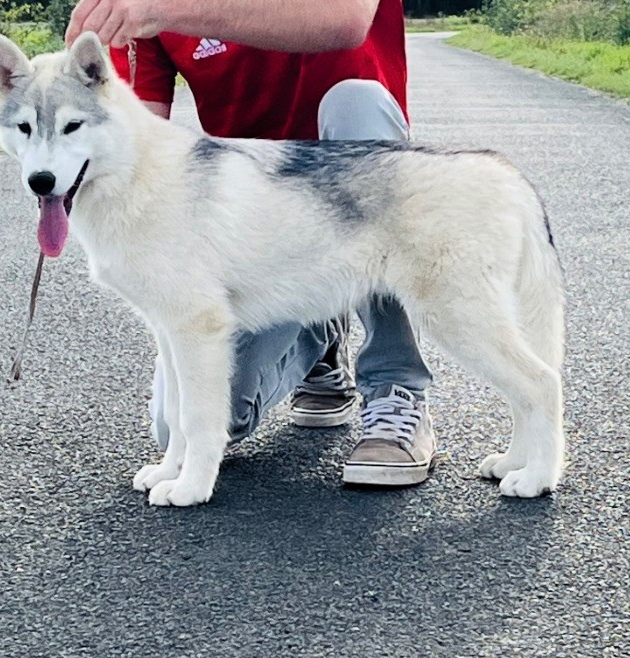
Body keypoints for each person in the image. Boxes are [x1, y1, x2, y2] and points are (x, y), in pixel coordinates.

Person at [66, 0, 437, 486]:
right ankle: (319, 335)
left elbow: (344, 23)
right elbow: (138, 146)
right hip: (262, 233)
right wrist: (59, 152)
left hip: (354, 171)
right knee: (179, 423)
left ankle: (395, 385)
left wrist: (163, 9)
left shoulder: (159, 6)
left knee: (358, 102)